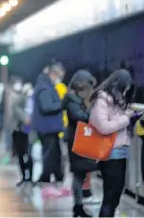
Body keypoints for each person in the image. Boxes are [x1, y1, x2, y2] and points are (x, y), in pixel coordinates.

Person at [89, 69, 139, 217]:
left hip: (120, 150)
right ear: (117, 85)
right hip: (110, 152)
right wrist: (126, 119)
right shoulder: (102, 100)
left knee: (116, 192)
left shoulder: (117, 100)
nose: (125, 92)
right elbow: (104, 127)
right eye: (124, 88)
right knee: (111, 194)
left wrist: (131, 118)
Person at [62, 70, 97, 217]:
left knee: (81, 174)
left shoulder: (75, 99)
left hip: (80, 139)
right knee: (78, 174)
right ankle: (78, 207)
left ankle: (78, 206)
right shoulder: (72, 100)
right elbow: (81, 117)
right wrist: (91, 108)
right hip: (76, 141)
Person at [32, 62, 66, 183]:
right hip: (47, 127)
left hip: (51, 127)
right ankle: (45, 177)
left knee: (55, 153)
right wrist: (63, 103)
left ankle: (57, 175)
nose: (60, 79)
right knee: (49, 154)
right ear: (53, 73)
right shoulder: (44, 87)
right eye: (59, 76)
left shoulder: (46, 85)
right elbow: (46, 107)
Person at [9, 79, 34, 186]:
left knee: (29, 154)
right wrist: (24, 119)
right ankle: (24, 177)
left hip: (30, 131)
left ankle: (30, 177)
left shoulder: (33, 100)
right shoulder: (19, 99)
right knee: (20, 154)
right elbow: (15, 109)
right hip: (19, 130)